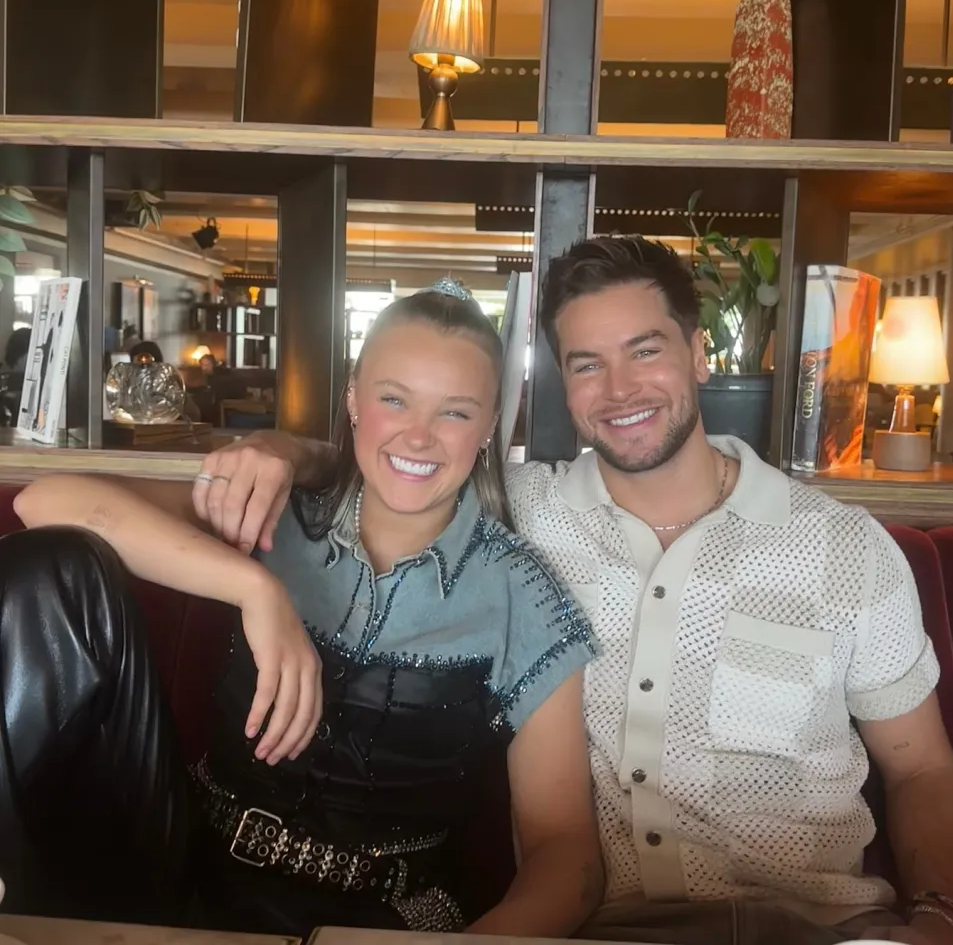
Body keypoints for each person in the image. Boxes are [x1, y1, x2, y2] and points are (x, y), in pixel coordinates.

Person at [203, 238, 953, 945]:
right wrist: (276, 453)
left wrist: (944, 924)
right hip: (614, 931)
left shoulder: (844, 548)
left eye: (645, 351)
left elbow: (924, 771)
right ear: (562, 385)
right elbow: (398, 457)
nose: (619, 389)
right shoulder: (520, 515)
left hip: (827, 926)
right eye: (586, 364)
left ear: (700, 353)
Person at [0, 283, 602, 941]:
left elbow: (565, 847)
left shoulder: (524, 593)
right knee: (50, 569)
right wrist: (258, 591)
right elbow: (47, 503)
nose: (419, 436)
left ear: (490, 426)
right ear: (352, 399)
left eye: (455, 413)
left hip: (383, 914)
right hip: (184, 859)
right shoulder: (275, 516)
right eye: (393, 399)